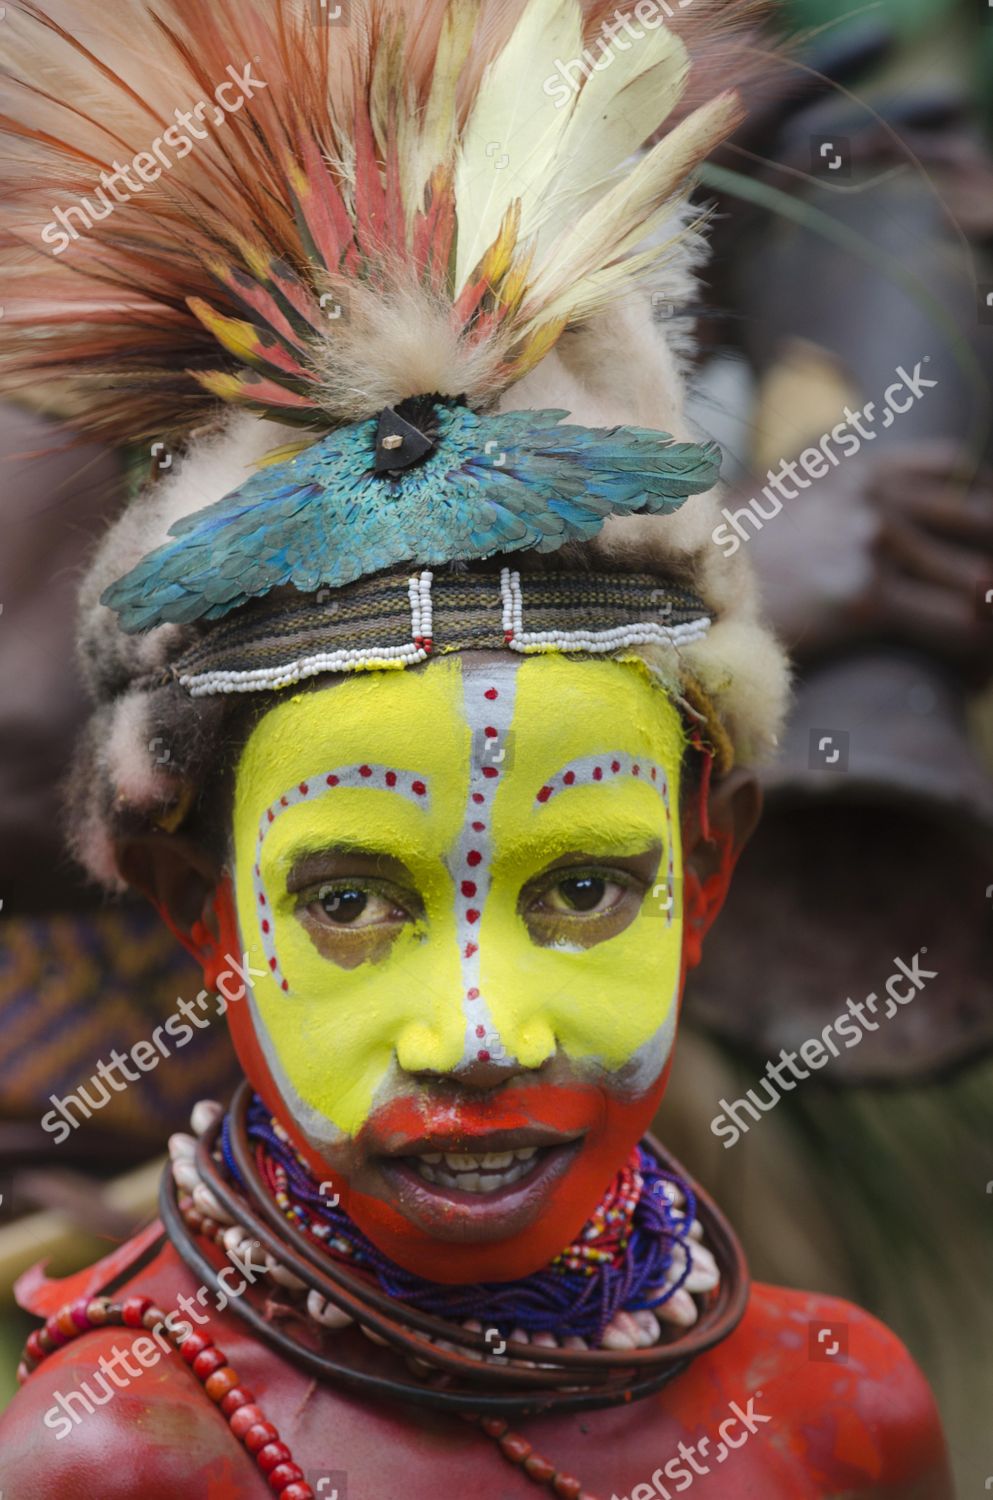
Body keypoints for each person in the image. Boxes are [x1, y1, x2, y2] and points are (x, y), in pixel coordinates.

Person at [0, 1, 952, 1494]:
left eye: (581, 887)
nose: (479, 1031)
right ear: (198, 909)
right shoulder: (119, 1455)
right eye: (348, 899)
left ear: (707, 867)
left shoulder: (842, 1408)